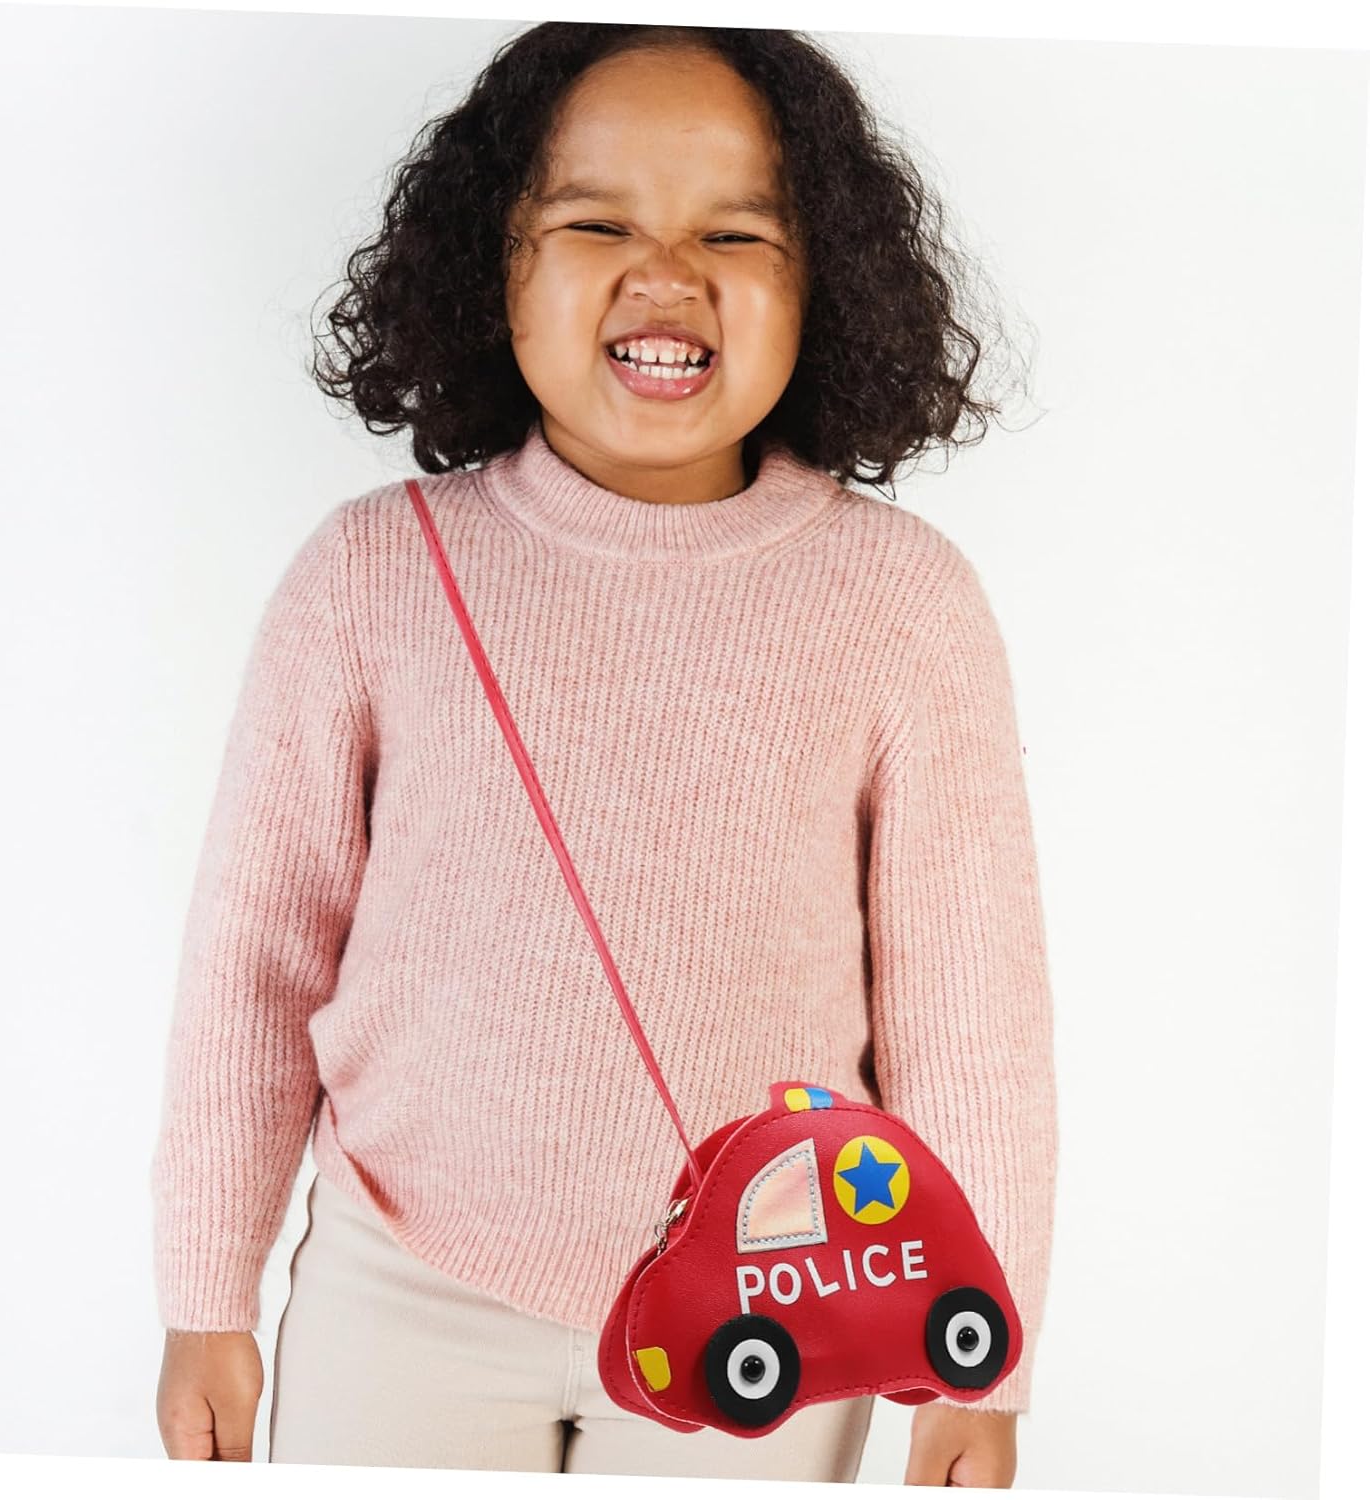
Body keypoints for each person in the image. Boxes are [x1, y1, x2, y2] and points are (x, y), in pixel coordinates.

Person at [150, 21, 1056, 1487]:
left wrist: (981, 1361)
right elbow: (255, 961)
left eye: (734, 233)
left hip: (773, 1301)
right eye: (596, 224)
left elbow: (969, 1010)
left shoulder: (905, 605)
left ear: (823, 278)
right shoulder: (372, 577)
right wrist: (208, 1294)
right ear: (491, 262)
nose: (666, 275)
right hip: (404, 1290)